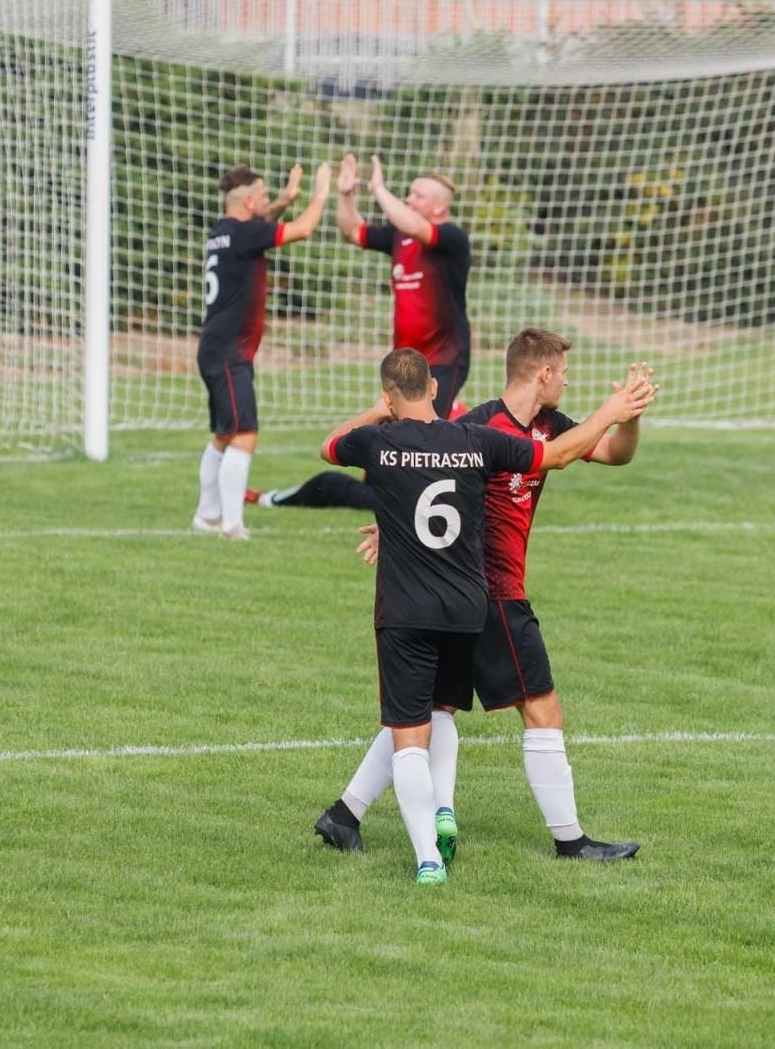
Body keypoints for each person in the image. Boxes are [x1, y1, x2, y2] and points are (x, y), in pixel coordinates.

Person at [318, 347, 656, 884]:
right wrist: (608, 410)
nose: (567, 382)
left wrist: (627, 419)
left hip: (454, 592)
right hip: (487, 591)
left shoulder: (549, 424)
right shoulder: (476, 426)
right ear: (543, 373)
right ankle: (570, 840)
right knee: (540, 706)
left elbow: (614, 454)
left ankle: (344, 815)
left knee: (423, 712)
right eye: (563, 373)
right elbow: (513, 465)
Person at [242, 154, 473, 512]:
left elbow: (414, 225)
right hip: (405, 363)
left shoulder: (450, 238)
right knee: (389, 463)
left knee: (415, 448)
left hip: (442, 360)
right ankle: (457, 426)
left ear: (440, 207)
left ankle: (452, 457)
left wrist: (379, 189)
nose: (409, 200)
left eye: (417, 195)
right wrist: (346, 195)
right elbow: (353, 231)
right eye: (408, 194)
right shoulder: (400, 236)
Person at [192, 161, 332, 540]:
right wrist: (320, 193)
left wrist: (284, 199)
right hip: (229, 352)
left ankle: (206, 517)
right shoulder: (245, 233)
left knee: (223, 435)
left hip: (215, 347)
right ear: (250, 201)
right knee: (244, 434)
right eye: (265, 195)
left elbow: (259, 226)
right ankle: (232, 524)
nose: (268, 200)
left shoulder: (223, 231)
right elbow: (302, 230)